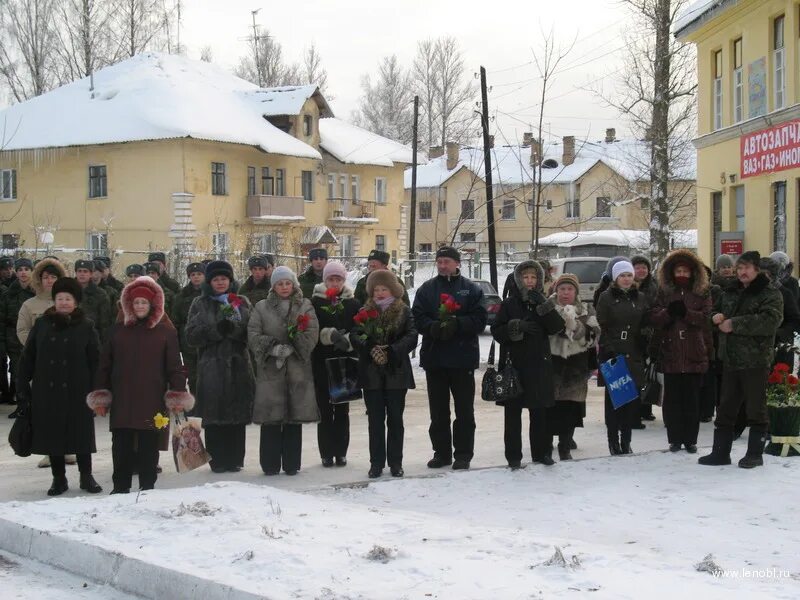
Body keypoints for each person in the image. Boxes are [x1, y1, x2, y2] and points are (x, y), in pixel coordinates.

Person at [88, 276, 192, 493]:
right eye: (136, 303)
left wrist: (178, 395)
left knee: (149, 447)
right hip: (122, 400)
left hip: (152, 400)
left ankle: (147, 487)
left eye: (144, 302)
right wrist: (100, 396)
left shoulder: (166, 332)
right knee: (121, 447)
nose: (140, 306)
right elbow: (104, 365)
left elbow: (175, 367)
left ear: (153, 304)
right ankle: (120, 488)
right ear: (128, 305)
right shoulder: (117, 331)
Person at [17, 278, 101, 496]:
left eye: (68, 299)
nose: (63, 302)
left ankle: (86, 476)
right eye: (60, 298)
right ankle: (59, 478)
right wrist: (22, 387)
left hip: (78, 390)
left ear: (76, 302)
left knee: (81, 434)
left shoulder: (86, 326)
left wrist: (97, 391)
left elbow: (96, 361)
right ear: (54, 301)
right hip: (48, 390)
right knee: (53, 435)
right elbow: (28, 358)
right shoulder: (42, 325)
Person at [701, 251, 783, 468]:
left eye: (746, 268)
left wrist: (735, 324)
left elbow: (770, 321)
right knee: (726, 408)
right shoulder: (730, 290)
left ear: (757, 269)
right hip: (730, 360)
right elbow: (715, 312)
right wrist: (714, 317)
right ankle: (720, 453)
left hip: (755, 360)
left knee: (756, 409)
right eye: (739, 268)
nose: (742, 272)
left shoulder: (769, 293)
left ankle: (755, 454)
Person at [412, 246, 487, 470]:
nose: (443, 265)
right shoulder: (427, 289)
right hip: (436, 359)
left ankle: (463, 454)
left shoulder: (471, 289)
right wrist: (433, 327)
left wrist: (458, 324)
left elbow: (480, 319)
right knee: (438, 412)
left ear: (457, 263)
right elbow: (417, 317)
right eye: (440, 261)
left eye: (447, 261)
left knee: (464, 411)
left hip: (462, 359)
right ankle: (441, 453)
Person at [492, 261, 565, 467]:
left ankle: (541, 453)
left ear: (539, 280)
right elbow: (497, 331)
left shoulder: (543, 302)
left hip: (539, 366)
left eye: (534, 277)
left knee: (539, 413)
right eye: (526, 277)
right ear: (518, 279)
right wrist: (517, 326)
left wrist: (543, 305)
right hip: (513, 366)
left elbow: (557, 327)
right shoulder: (509, 304)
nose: (530, 281)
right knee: (513, 416)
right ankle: (514, 457)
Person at [248, 266, 319, 475]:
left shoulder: (305, 305)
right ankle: (269, 465)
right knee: (271, 418)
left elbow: (312, 332)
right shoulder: (261, 307)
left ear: (294, 284)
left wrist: (296, 343)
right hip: (271, 370)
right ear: (274, 286)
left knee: (293, 419)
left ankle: (291, 464)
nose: (284, 287)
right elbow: (253, 333)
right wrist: (272, 347)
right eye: (280, 283)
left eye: (288, 283)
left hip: (297, 369)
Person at [186, 260, 255, 473]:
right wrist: (215, 330)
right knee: (214, 418)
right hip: (211, 369)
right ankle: (217, 459)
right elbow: (191, 336)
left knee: (236, 417)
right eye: (216, 279)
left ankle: (235, 459)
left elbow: (251, 332)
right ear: (210, 282)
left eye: (224, 278)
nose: (220, 282)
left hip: (238, 367)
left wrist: (234, 329)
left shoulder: (240, 301)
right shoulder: (200, 303)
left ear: (230, 280)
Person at [351, 270, 418, 478]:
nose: (379, 293)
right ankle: (376, 463)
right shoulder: (365, 311)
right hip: (371, 373)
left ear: (393, 290)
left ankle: (396, 462)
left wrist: (393, 350)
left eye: (384, 288)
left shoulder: (403, 311)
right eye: (376, 289)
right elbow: (355, 334)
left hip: (396, 372)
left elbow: (412, 335)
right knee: (375, 420)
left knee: (395, 419)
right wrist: (369, 346)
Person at [649, 250, 711, 454]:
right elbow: (655, 318)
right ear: (671, 272)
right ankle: (674, 439)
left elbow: (706, 318)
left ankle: (690, 440)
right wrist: (668, 313)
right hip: (671, 353)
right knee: (672, 401)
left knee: (692, 401)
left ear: (693, 273)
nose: (682, 274)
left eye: (685, 270)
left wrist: (687, 314)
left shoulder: (702, 292)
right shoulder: (664, 292)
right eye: (678, 270)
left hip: (694, 353)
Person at [596, 260, 648, 456]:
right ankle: (613, 441)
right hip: (614, 355)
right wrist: (609, 350)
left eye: (629, 275)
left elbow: (645, 321)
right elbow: (601, 325)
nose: (626, 279)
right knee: (614, 401)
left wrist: (645, 340)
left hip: (633, 353)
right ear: (615, 278)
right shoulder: (606, 297)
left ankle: (626, 440)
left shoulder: (640, 297)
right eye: (622, 276)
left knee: (630, 402)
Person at [311, 261, 360, 467]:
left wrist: (348, 339)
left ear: (343, 281)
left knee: (342, 409)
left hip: (344, 362)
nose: (334, 283)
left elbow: (359, 327)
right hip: (322, 361)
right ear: (325, 280)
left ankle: (341, 451)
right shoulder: (315, 302)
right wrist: (328, 335)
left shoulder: (352, 303)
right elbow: (312, 328)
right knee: (324, 410)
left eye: (338, 279)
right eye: (331, 279)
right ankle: (326, 452)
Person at [547, 273, 600, 461]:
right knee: (549, 407)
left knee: (570, 409)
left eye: (569, 289)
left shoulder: (585, 309)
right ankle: (546, 445)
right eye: (562, 289)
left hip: (576, 367)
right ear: (556, 290)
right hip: (552, 365)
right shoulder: (547, 307)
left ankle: (565, 445)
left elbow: (594, 334)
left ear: (575, 291)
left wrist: (576, 326)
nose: (565, 293)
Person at [1, 258, 35, 417]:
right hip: (13, 338)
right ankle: (21, 405)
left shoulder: (37, 292)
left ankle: (36, 404)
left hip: (33, 337)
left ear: (32, 271)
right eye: (20, 269)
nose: (23, 272)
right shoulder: (8, 294)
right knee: (17, 372)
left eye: (26, 269)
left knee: (36, 372)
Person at [170, 262, 205, 397]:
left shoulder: (213, 293)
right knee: (193, 376)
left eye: (199, 274)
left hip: (209, 342)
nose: (196, 277)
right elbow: (176, 321)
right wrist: (177, 344)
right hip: (188, 344)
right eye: (193, 275)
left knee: (210, 376)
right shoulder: (181, 296)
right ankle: (196, 405)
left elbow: (233, 309)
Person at [631, 254, 657, 425]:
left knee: (648, 373)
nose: (641, 270)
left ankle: (646, 408)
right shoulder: (627, 285)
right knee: (635, 373)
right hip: (632, 334)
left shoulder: (654, 287)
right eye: (638, 267)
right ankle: (635, 410)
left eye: (644, 267)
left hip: (649, 333)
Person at [74, 259, 112, 342]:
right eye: (79, 271)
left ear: (91, 274)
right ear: (76, 273)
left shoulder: (100, 294)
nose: (82, 274)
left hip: (92, 338)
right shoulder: (69, 291)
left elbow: (104, 322)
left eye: (85, 271)